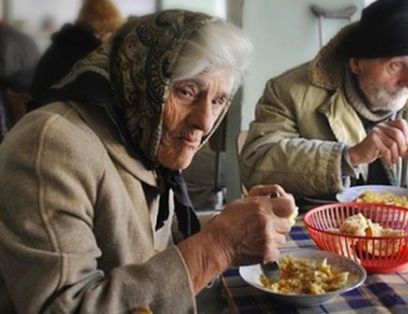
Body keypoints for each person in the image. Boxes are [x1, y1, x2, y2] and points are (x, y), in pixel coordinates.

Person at [0, 10, 296, 313]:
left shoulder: (141, 135)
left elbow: (146, 241)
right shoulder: (51, 144)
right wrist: (218, 246)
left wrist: (232, 223)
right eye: (186, 92)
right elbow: (65, 308)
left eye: (218, 100)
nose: (205, 123)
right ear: (142, 81)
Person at [240, 0, 408, 208]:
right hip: (319, 235)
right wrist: (349, 156)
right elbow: (257, 163)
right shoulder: (289, 92)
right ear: (356, 63)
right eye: (395, 65)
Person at [29, 0, 123, 107]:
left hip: (39, 112)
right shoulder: (91, 52)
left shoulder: (65, 42)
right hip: (58, 115)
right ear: (104, 28)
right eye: (111, 32)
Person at [0, 21, 40, 142]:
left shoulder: (4, 38)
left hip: (22, 92)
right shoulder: (20, 36)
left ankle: (6, 136)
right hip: (35, 89)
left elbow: (5, 69)